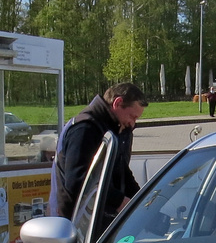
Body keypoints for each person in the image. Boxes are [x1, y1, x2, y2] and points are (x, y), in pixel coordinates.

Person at [53, 82, 148, 218]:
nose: (132, 124)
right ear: (117, 103)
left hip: (99, 217)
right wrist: (119, 202)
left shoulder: (113, 129)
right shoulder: (85, 129)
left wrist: (141, 201)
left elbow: (121, 172)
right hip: (78, 223)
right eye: (132, 117)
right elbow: (79, 181)